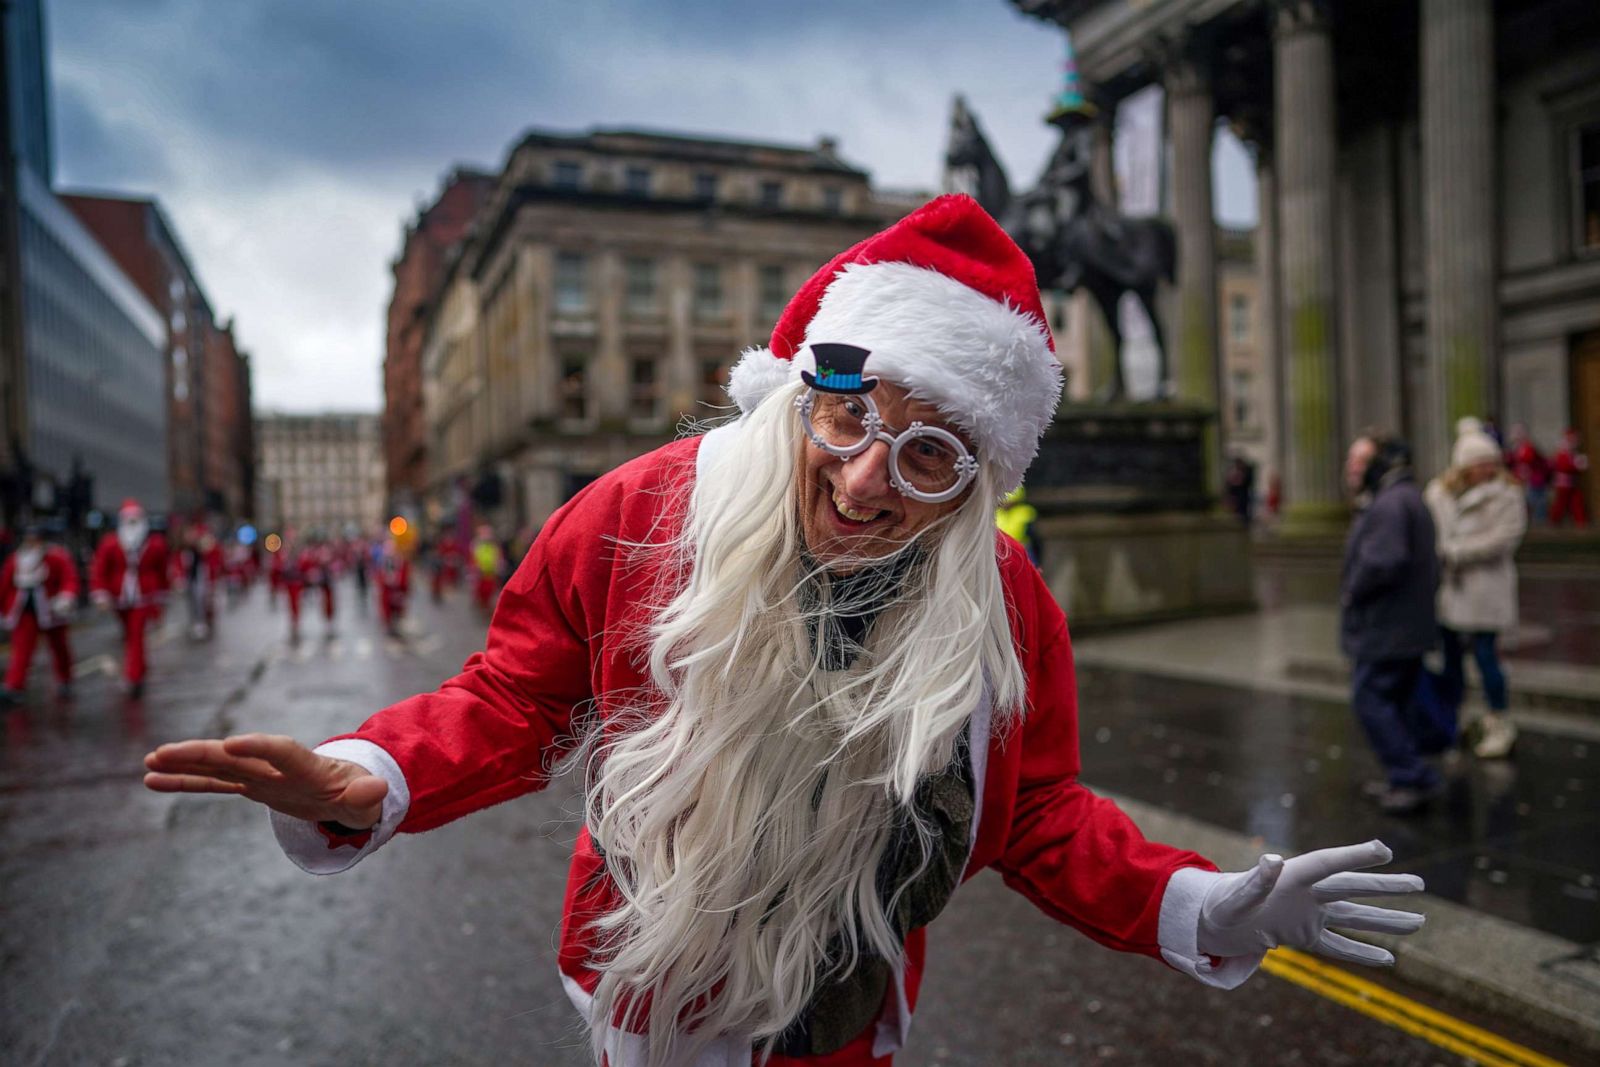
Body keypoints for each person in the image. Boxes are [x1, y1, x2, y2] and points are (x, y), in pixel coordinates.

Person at [143, 197, 1425, 1067]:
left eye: (928, 454)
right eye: (851, 417)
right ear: (805, 391)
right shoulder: (642, 511)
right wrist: (365, 777)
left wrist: (1193, 901)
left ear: (976, 479)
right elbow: (514, 697)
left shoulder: (1004, 599)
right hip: (647, 985)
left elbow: (1032, 811)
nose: (869, 479)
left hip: (850, 1002)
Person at [1341, 433, 1441, 815]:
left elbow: (1383, 562)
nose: (1353, 468)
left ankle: (1412, 775)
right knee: (1395, 702)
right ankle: (1405, 775)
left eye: (1361, 460)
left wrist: (1352, 591)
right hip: (1402, 626)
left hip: (1386, 628)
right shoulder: (1402, 497)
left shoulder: (1390, 502)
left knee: (1371, 700)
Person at [1425, 430, 1526, 760]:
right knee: (1451, 659)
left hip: (1485, 589)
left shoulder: (1506, 495)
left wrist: (1456, 552)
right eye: (1480, 463)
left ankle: (1498, 719)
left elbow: (1504, 538)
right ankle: (1452, 717)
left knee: (1486, 657)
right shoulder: (1439, 494)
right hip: (1452, 590)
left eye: (1490, 462)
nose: (1487, 469)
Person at [90, 500, 170, 699]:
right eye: (129, 519)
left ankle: (133, 677)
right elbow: (100, 569)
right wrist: (100, 592)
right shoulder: (110, 543)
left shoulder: (155, 544)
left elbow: (162, 571)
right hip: (120, 599)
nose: (132, 523)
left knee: (136, 635)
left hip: (143, 598)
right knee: (130, 636)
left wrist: (162, 595)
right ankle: (140, 668)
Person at [0, 523, 80, 702]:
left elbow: (69, 578)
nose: (32, 542)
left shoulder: (56, 557)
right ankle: (14, 685)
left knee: (60, 648)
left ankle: (65, 680)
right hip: (24, 612)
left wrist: (66, 597)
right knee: (21, 649)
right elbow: (5, 585)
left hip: (51, 610)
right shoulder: (16, 559)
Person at [1504, 424, 1549, 525]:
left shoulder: (1529, 448)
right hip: (1520, 479)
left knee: (1535, 502)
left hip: (1533, 480)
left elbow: (1532, 461)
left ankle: (1539, 523)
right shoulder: (1515, 449)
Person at [1548, 428, 1589, 527]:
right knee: (1560, 504)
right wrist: (1577, 465)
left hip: (1571, 483)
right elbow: (1563, 466)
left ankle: (1581, 521)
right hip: (1563, 484)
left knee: (1576, 502)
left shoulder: (1572, 453)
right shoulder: (1562, 453)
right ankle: (1554, 522)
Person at [375, 533, 410, 637]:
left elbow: (404, 576)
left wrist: (399, 583)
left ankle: (396, 627)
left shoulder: (400, 561)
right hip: (387, 591)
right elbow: (379, 576)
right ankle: (390, 627)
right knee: (388, 611)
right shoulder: (383, 562)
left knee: (397, 611)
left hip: (397, 591)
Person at [470, 524, 503, 613]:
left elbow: (498, 557)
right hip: (481, 574)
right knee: (482, 592)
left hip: (491, 573)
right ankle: (483, 607)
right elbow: (473, 558)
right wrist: (476, 569)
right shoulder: (476, 545)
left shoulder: (494, 546)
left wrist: (498, 566)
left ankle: (488, 609)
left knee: (490, 591)